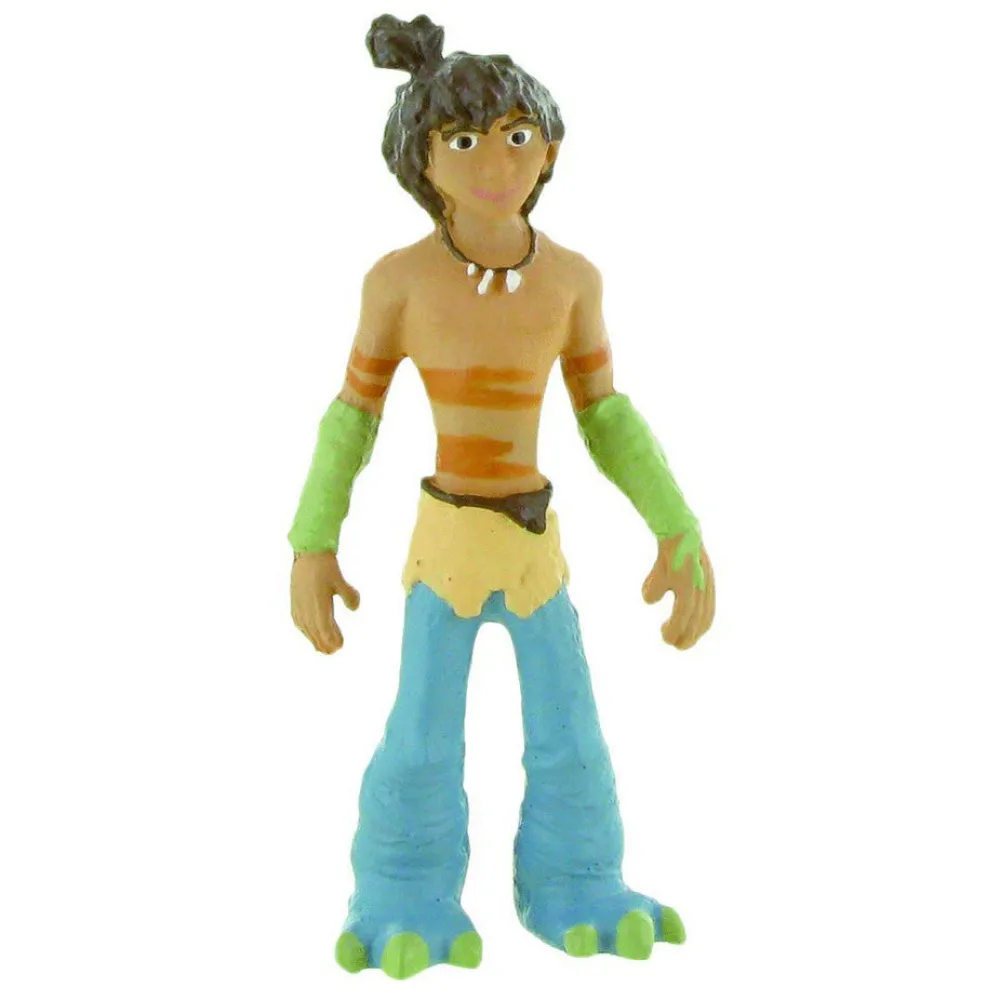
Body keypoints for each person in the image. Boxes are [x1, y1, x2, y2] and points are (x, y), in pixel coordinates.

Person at [288, 13, 716, 979]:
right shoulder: (397, 283)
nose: (496, 160)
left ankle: (579, 882)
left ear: (550, 149)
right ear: (422, 162)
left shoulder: (573, 283)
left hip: (533, 549)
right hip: (444, 546)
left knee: (571, 731)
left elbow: (606, 415)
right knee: (421, 735)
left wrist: (676, 524)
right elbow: (351, 420)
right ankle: (401, 890)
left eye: (518, 134)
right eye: (464, 140)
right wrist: (313, 542)